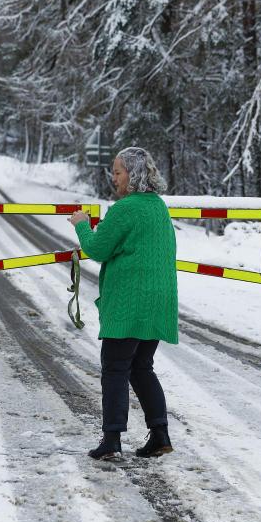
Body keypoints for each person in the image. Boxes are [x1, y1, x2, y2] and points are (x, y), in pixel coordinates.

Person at [68, 147, 178, 460]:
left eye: (118, 172)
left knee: (115, 368)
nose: (113, 178)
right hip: (159, 299)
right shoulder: (158, 207)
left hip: (131, 300)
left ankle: (111, 440)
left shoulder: (125, 209)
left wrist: (81, 223)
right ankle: (160, 435)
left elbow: (98, 249)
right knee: (142, 367)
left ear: (133, 175)